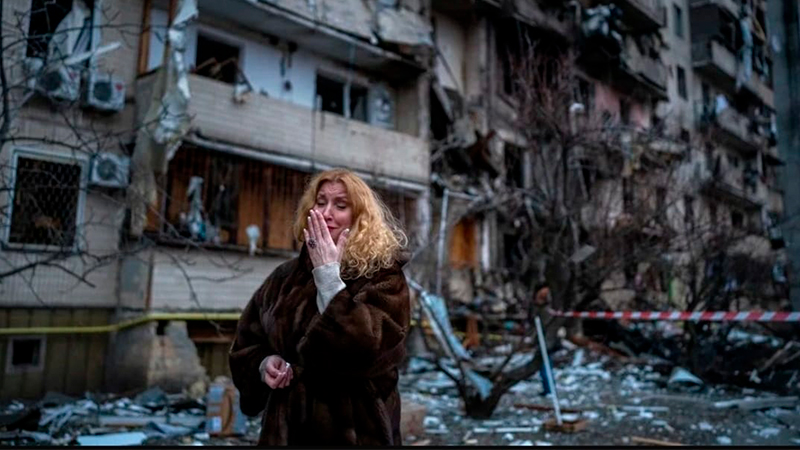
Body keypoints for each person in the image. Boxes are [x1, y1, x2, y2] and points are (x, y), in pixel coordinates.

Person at [229, 168, 411, 446]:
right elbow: (246, 343)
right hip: (286, 432)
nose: (326, 213)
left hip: (356, 431)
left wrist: (328, 276)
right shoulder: (285, 277)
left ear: (360, 217)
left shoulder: (384, 276)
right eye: (320, 202)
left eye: (340, 205)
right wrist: (264, 364)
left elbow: (368, 349)